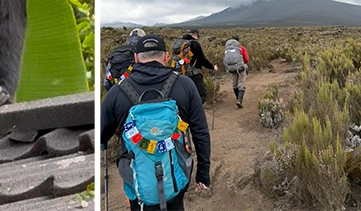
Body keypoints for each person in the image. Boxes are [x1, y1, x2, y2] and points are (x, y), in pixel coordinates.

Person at [101, 35, 211, 210]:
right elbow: (200, 132)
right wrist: (203, 173)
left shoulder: (117, 93)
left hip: (137, 183)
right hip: (177, 178)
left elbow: (101, 136)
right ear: (166, 56)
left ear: (136, 58)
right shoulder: (185, 85)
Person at [179, 28, 217, 103]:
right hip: (194, 73)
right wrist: (212, 67)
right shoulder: (194, 44)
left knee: (186, 95)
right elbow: (202, 59)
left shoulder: (179, 44)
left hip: (181, 73)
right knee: (201, 95)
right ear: (194, 34)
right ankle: (195, 112)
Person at [224, 35, 250, 108]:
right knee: (241, 83)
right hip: (241, 67)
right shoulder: (241, 48)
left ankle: (237, 97)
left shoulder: (228, 49)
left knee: (234, 83)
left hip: (231, 68)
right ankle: (239, 100)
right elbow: (246, 59)